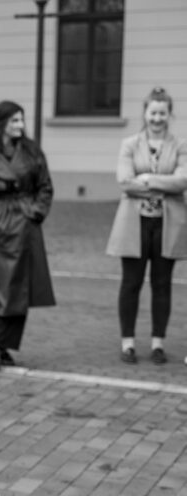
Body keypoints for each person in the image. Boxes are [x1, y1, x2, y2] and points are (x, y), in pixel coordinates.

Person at [0, 100, 55, 372]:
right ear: (0, 124)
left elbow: (45, 187)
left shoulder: (31, 151)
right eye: (14, 120)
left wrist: (34, 214)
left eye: (22, 120)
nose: (20, 125)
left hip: (24, 225)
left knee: (18, 289)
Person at [105, 87, 187, 365]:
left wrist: (147, 179)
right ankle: (128, 342)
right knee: (131, 283)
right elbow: (124, 180)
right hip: (134, 224)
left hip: (167, 224)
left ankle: (157, 343)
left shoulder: (180, 145)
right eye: (152, 112)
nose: (157, 118)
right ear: (145, 113)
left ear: (169, 115)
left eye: (162, 113)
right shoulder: (130, 144)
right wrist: (164, 183)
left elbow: (182, 180)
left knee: (162, 284)